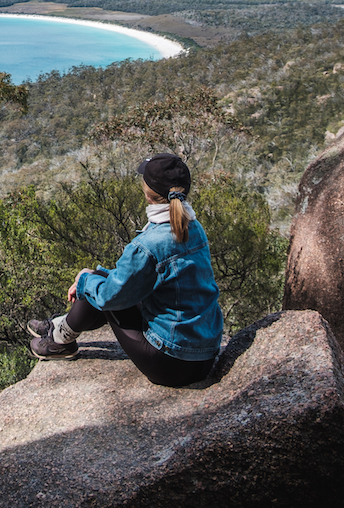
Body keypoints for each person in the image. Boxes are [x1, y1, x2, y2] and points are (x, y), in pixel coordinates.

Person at [28, 153, 223, 387]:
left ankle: (59, 341)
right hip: (204, 355)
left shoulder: (148, 245)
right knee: (101, 280)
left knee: (97, 285)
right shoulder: (194, 227)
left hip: (171, 363)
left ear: (148, 193)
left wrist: (84, 280)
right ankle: (61, 327)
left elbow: (108, 297)